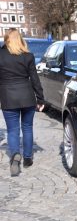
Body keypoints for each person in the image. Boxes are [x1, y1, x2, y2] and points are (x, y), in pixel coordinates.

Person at [0, 28, 45, 177]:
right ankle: (27, 158)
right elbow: (35, 79)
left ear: (6, 40)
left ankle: (14, 156)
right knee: (27, 128)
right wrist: (40, 98)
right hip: (27, 97)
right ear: (20, 39)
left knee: (12, 130)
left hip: (8, 98)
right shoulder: (28, 56)